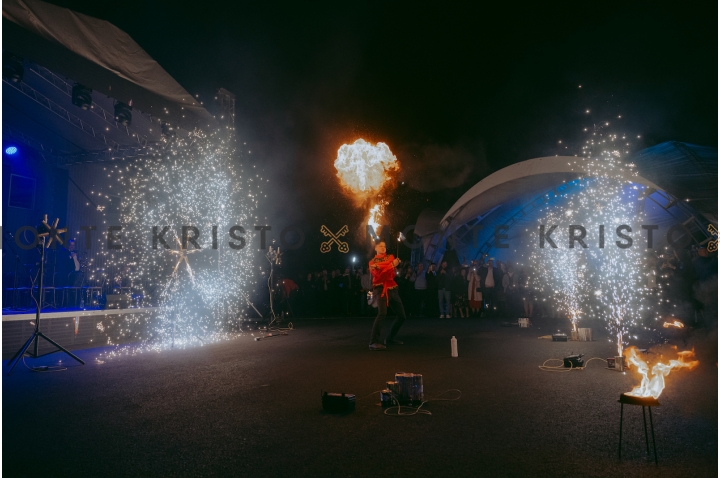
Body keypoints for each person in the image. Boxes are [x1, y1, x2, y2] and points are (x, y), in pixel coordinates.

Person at [368, 241, 407, 351]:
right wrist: (391, 265)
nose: (383, 248)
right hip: (380, 289)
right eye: (380, 246)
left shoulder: (390, 257)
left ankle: (390, 338)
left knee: (402, 316)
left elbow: (390, 274)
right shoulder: (372, 262)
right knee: (382, 313)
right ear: (375, 248)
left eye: (384, 246)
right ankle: (373, 342)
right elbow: (379, 276)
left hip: (392, 288)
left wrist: (382, 267)